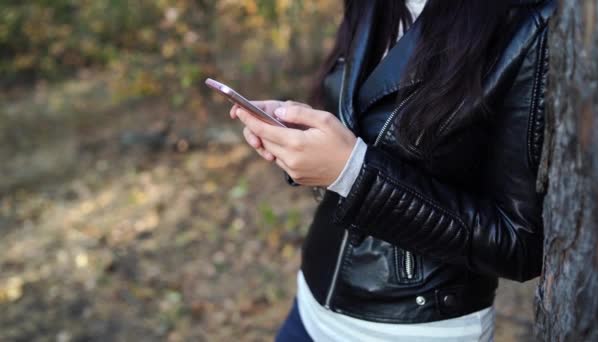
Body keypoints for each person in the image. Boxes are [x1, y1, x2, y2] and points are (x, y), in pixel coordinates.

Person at [230, 0, 555, 341]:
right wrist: (301, 136)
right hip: (312, 305)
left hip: (415, 328)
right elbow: (367, 123)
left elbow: (518, 243)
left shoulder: (528, 22)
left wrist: (353, 173)